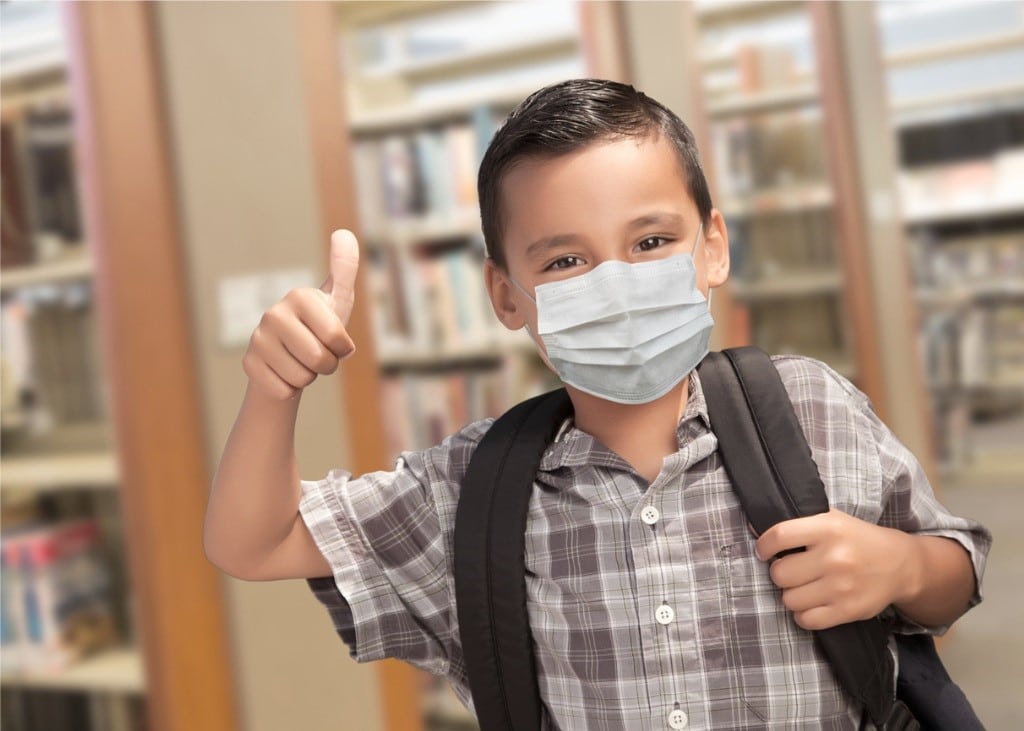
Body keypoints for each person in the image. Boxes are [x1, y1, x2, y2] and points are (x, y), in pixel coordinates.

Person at [204, 79, 991, 729]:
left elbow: (955, 571)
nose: (615, 285)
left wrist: (901, 564)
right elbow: (255, 542)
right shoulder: (469, 490)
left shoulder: (809, 407)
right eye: (566, 259)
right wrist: (275, 390)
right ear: (506, 296)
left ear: (712, 245)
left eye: (650, 242)